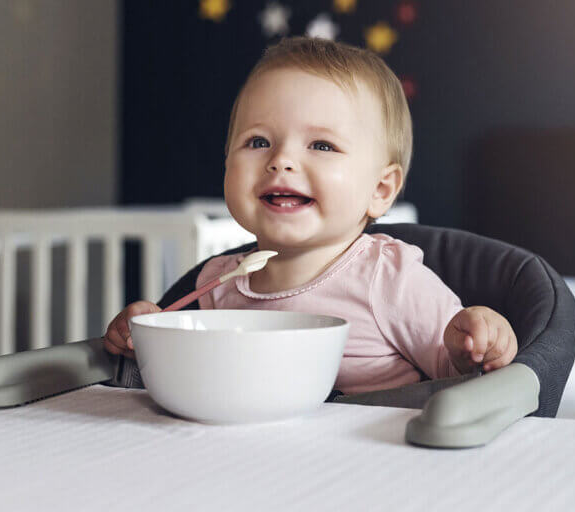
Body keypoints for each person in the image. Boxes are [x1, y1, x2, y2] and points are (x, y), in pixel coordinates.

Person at [104, 36, 517, 394]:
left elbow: (457, 374)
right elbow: (179, 381)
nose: (281, 159)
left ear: (380, 189)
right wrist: (142, 334)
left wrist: (478, 341)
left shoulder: (389, 279)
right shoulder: (215, 285)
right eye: (258, 141)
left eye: (321, 145)